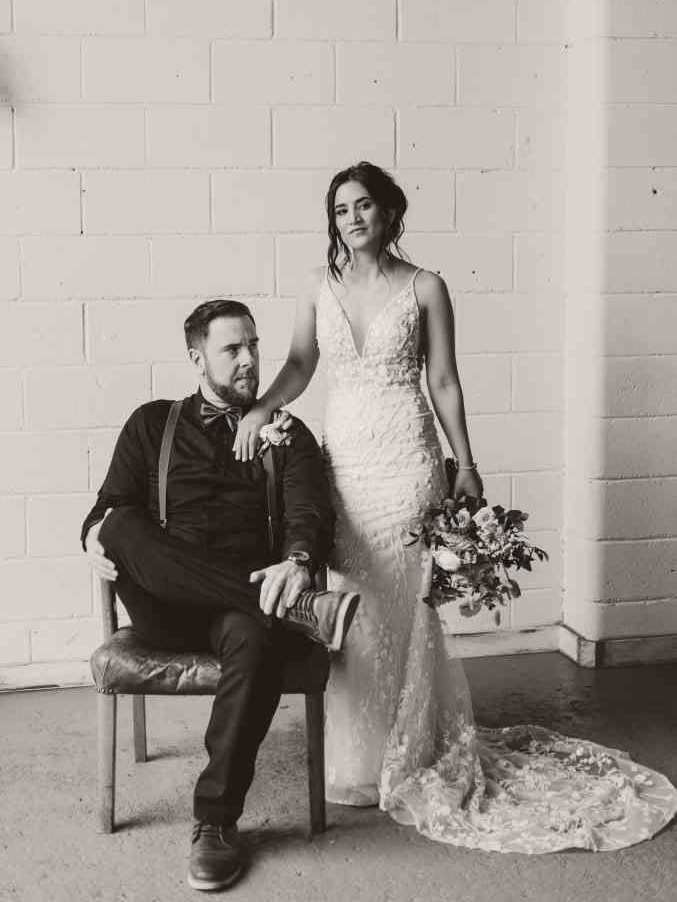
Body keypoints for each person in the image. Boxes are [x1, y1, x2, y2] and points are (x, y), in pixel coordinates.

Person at [233, 161, 677, 853]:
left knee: (404, 605)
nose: (352, 218)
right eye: (341, 208)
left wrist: (464, 462)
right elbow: (297, 364)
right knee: (353, 604)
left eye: (365, 206)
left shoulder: (425, 287)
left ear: (389, 214)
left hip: (406, 462)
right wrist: (263, 406)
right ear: (333, 220)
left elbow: (442, 379)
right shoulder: (318, 288)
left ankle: (413, 746)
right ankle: (357, 756)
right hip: (343, 464)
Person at [82, 299, 359, 892]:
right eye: (233, 349)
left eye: (254, 346)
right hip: (166, 606)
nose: (250, 360)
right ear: (197, 358)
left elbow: (311, 513)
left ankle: (215, 823)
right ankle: (304, 610)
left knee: (254, 634)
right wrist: (92, 538)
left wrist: (300, 560)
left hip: (244, 609)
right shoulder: (151, 423)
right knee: (120, 524)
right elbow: (105, 508)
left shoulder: (286, 433)